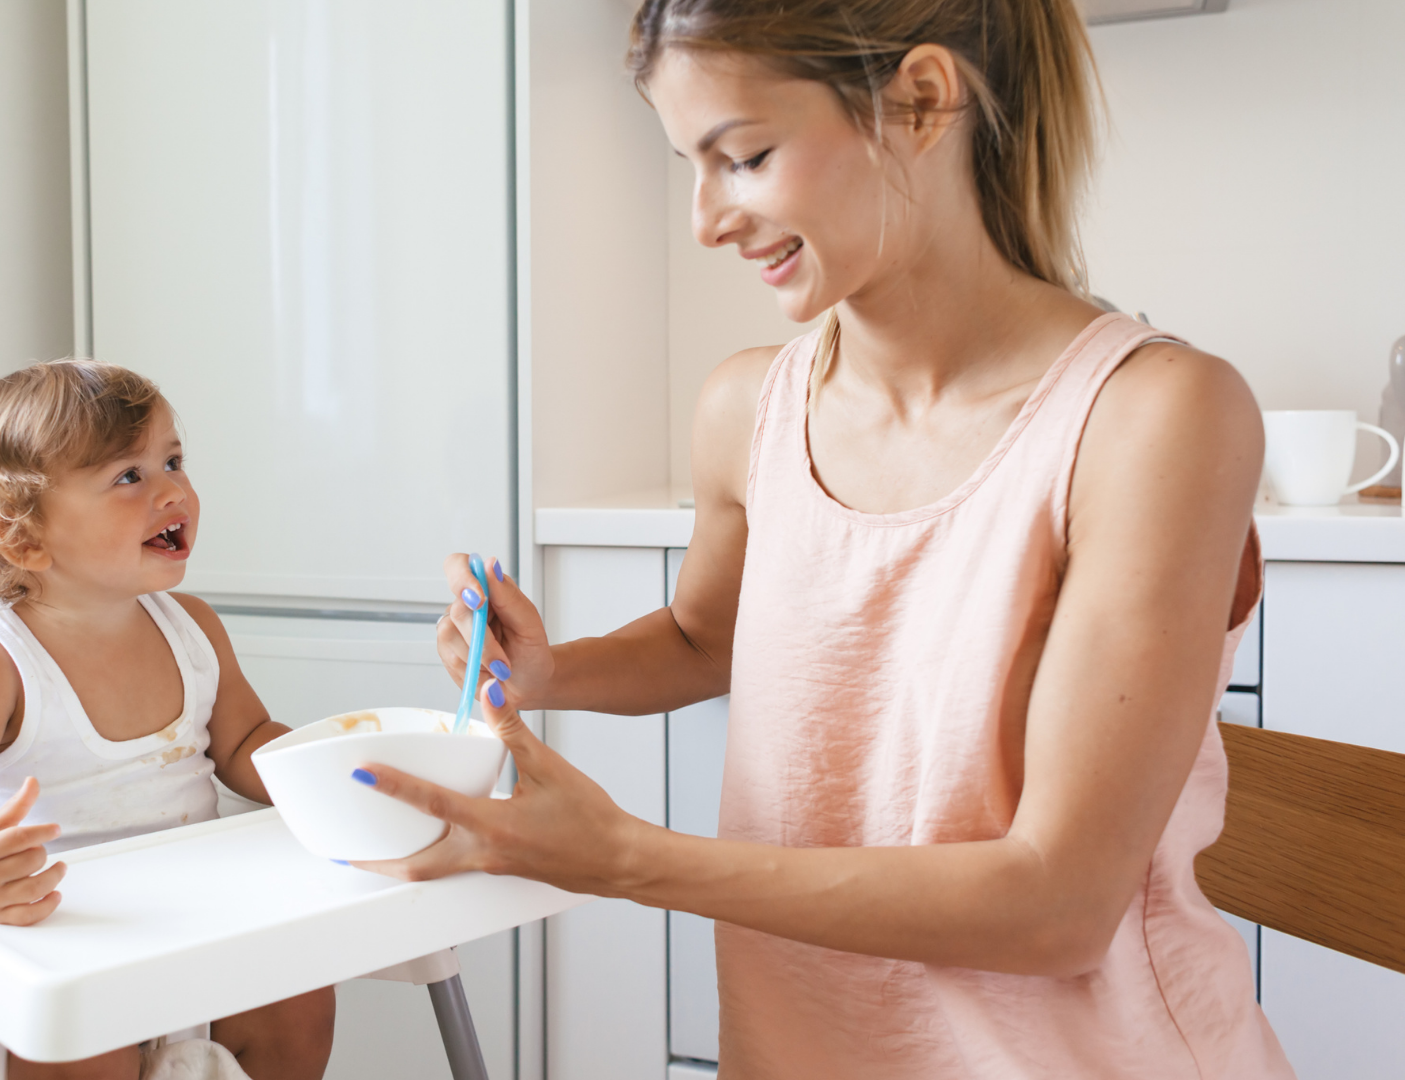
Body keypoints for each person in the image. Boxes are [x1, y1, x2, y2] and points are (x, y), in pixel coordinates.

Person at [351, 1, 1293, 1076]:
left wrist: (626, 860)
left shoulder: (1152, 417)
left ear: (923, 101)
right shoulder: (745, 407)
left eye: (743, 157)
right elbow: (705, 640)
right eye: (687, 167)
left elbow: (1059, 904)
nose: (705, 219)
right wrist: (548, 671)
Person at [0, 361, 335, 1080]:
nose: (173, 490)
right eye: (130, 476)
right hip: (66, 931)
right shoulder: (0, 663)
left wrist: (325, 771)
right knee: (80, 1046)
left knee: (300, 993)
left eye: (174, 461)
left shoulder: (193, 629)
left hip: (199, 912)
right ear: (21, 533)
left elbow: (244, 741)